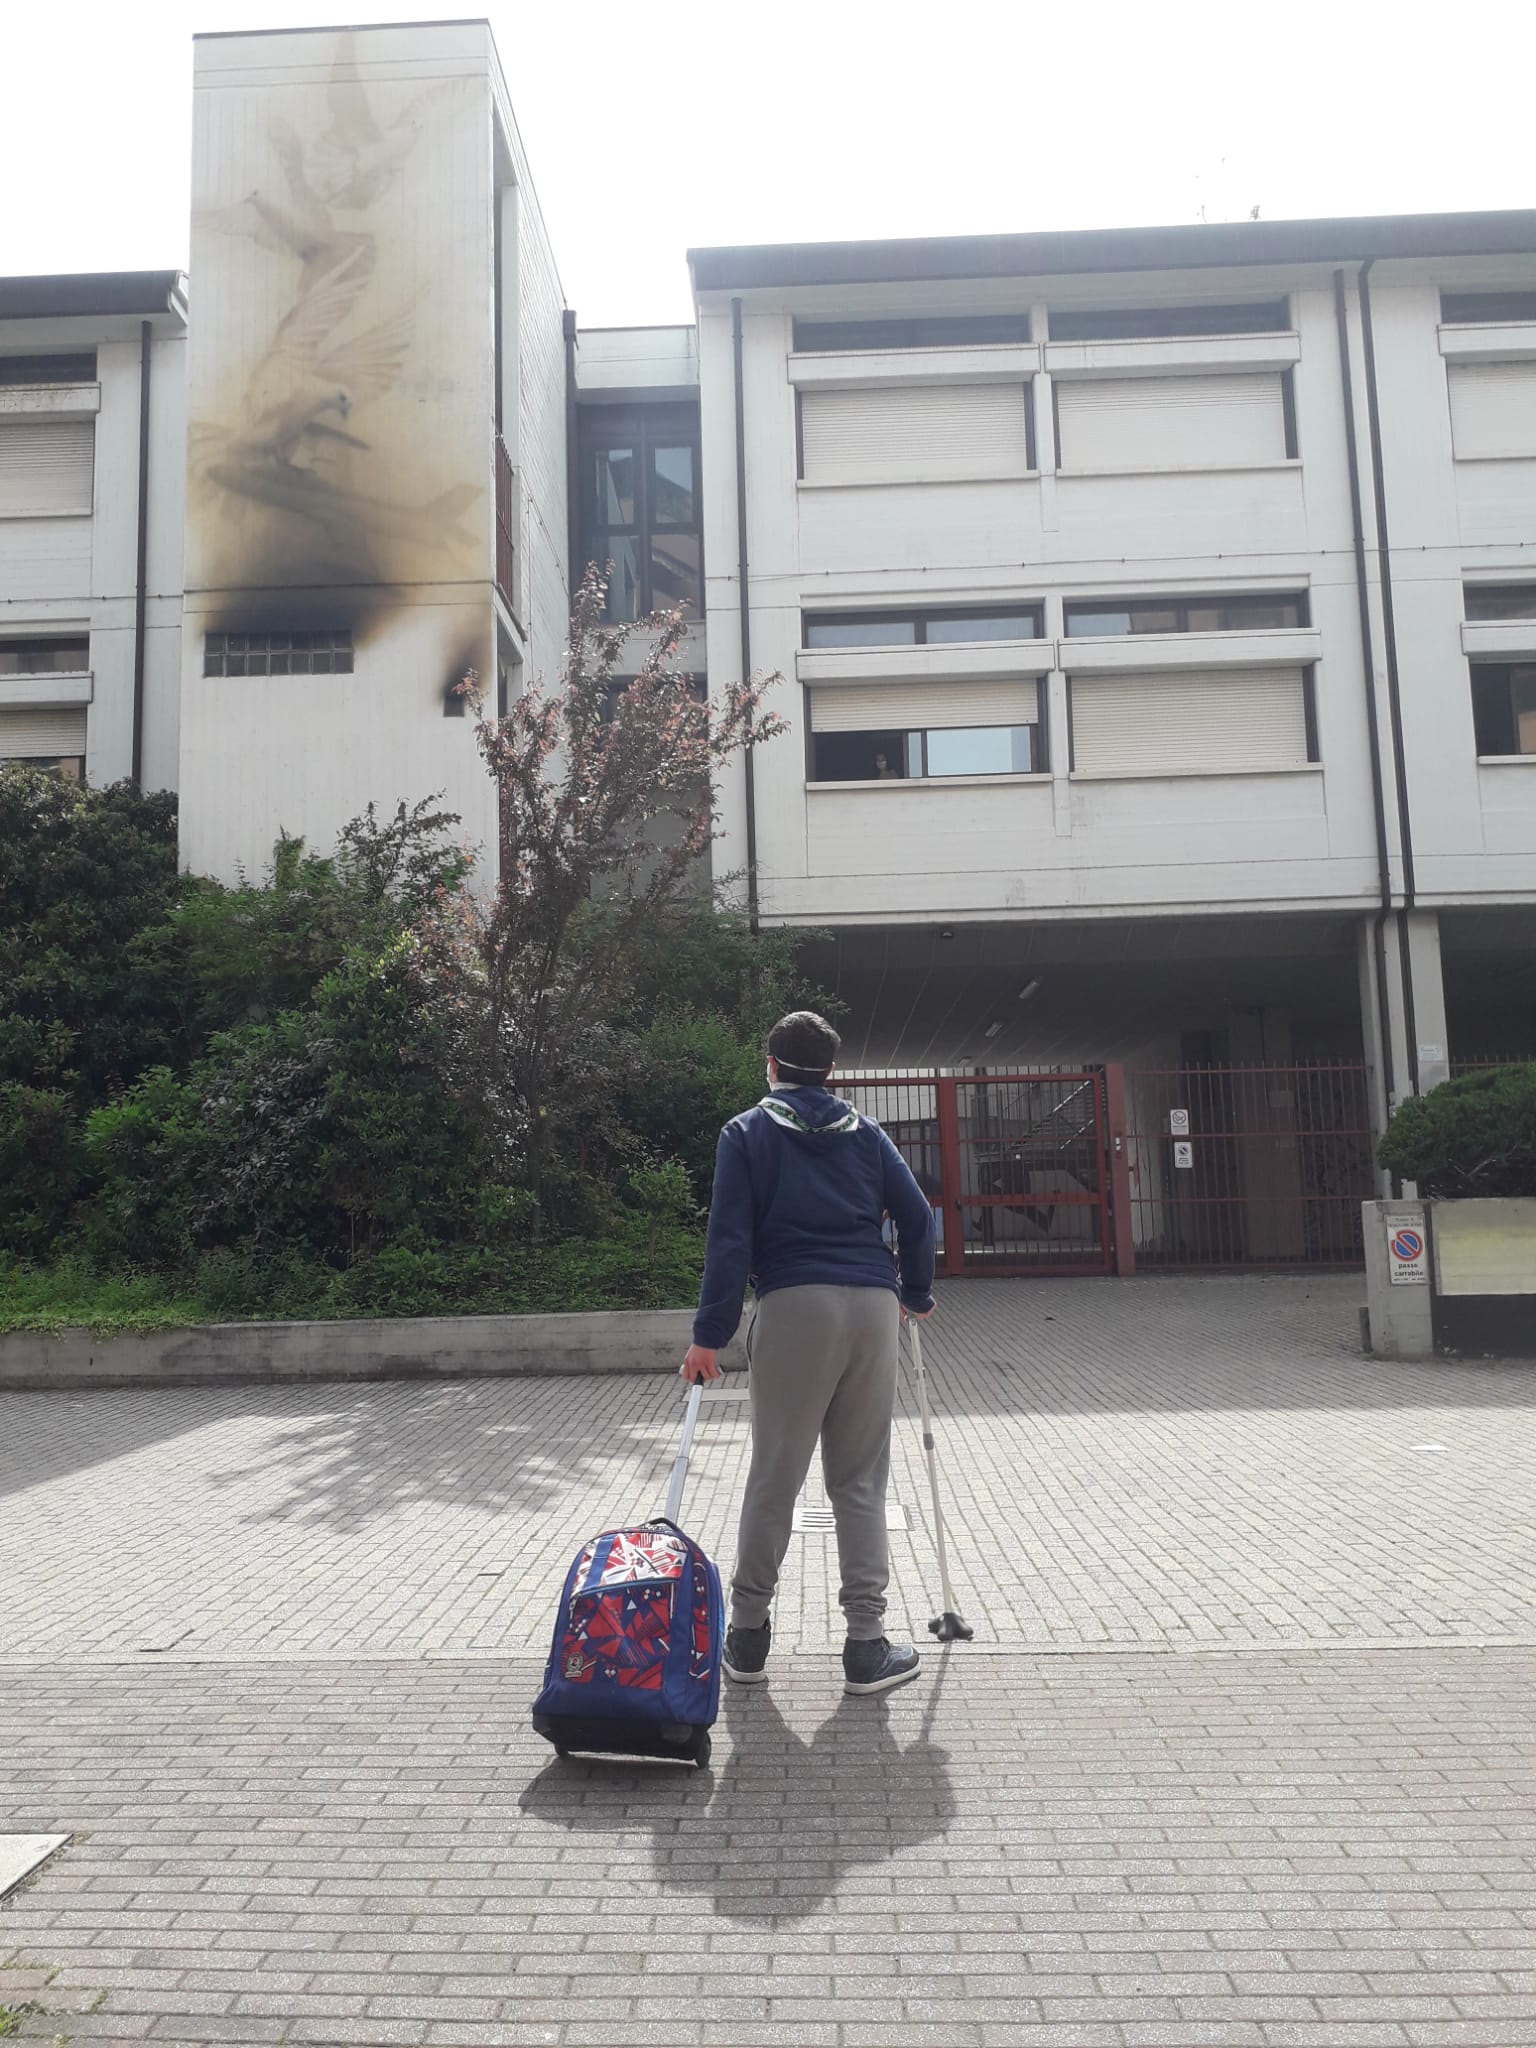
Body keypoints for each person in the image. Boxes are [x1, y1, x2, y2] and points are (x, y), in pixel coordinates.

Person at [681, 1010, 937, 1696]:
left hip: (795, 1307)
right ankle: (865, 1647)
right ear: (830, 1070)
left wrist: (709, 1336)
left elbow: (729, 1241)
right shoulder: (867, 1133)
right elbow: (916, 1218)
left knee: (775, 1475)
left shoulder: (746, 1133)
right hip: (873, 1309)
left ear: (770, 1065)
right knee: (858, 1482)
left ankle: (749, 1639)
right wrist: (916, 1291)